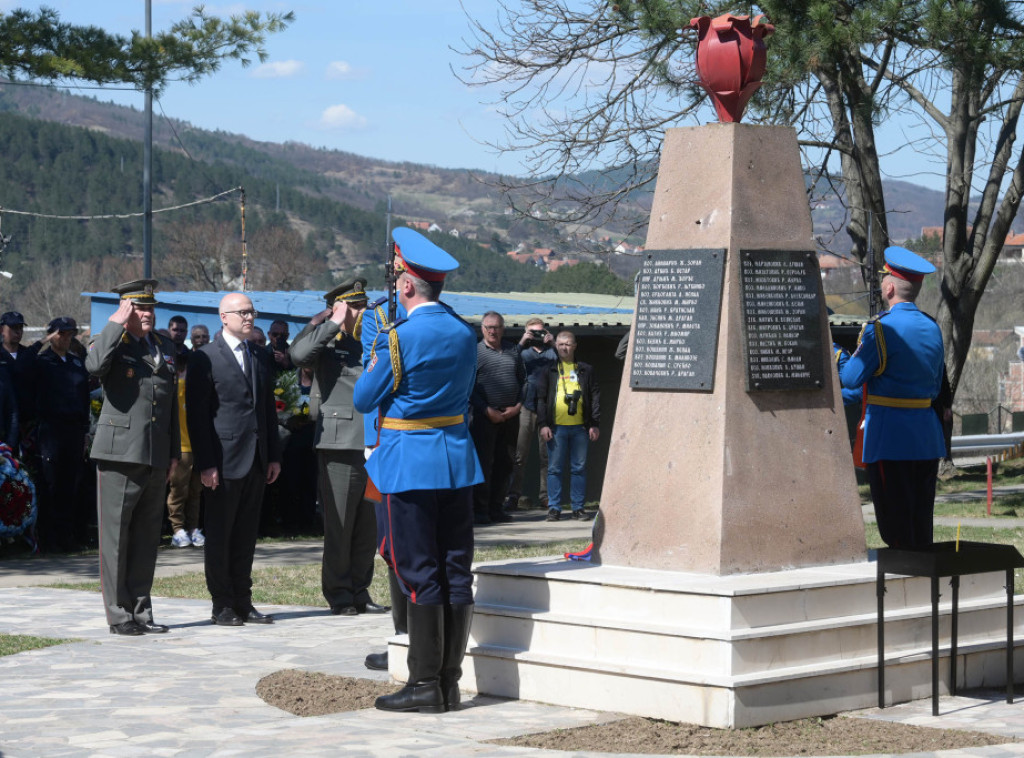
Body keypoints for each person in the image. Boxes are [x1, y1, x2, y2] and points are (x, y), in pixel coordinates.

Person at [354, 226, 483, 713]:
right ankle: (448, 683)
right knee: (455, 571)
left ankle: (425, 683)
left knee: (418, 571)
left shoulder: (399, 337)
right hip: (456, 461)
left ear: (406, 285)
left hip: (409, 462)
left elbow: (364, 397)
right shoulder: (463, 331)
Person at [86, 279, 180, 636]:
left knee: (146, 538)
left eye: (151, 308)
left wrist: (173, 453)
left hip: (155, 453)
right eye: (140, 308)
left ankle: (142, 611)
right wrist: (115, 324)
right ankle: (119, 614)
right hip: (119, 453)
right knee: (116, 539)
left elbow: (169, 403)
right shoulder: (110, 340)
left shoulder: (164, 346)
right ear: (125, 309)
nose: (148, 314)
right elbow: (95, 366)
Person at [290, 278, 387, 616]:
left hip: (374, 443)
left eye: (363, 306)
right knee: (340, 524)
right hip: (339, 442)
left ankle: (360, 590)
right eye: (354, 307)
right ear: (339, 308)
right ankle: (340, 593)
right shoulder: (327, 341)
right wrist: (331, 322)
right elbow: (298, 355)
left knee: (367, 526)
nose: (361, 312)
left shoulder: (374, 340)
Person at [840, 246, 948, 549]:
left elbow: (850, 378)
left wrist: (840, 355)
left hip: (890, 437)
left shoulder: (880, 329)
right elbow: (936, 383)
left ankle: (906, 574)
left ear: (889, 288)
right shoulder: (932, 327)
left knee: (895, 526)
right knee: (919, 522)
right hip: (926, 437)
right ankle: (921, 573)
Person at [186, 292, 282, 626]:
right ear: (223, 317)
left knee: (245, 536)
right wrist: (206, 463)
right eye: (242, 312)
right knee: (220, 535)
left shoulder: (258, 354)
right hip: (223, 460)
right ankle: (222, 604)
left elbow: (266, 409)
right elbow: (197, 415)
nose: (249, 317)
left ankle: (243, 601)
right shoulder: (205, 357)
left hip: (256, 458)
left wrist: (273, 455)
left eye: (251, 311)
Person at [33, 317, 90, 552]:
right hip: (51, 429)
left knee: (71, 483)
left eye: (70, 334)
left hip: (74, 429)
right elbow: (23, 366)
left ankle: (67, 536)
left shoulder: (76, 362)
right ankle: (49, 538)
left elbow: (84, 398)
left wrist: (85, 431)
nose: (66, 339)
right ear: (52, 335)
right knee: (51, 482)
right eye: (61, 334)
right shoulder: (42, 362)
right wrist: (42, 341)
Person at [537, 330, 600, 522]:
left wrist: (594, 423)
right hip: (556, 427)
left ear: (575, 346)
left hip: (580, 427)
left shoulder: (585, 369)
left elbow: (595, 396)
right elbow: (541, 399)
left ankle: (578, 508)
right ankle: (554, 508)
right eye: (561, 344)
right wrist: (543, 424)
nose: (564, 347)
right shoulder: (549, 369)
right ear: (556, 345)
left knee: (579, 468)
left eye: (568, 344)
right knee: (554, 469)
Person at [469, 311, 525, 524]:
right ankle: (480, 511)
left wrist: (517, 407)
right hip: (485, 417)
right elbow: (468, 387)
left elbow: (524, 382)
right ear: (482, 329)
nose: (493, 331)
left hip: (511, 417)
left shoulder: (513, 350)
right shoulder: (475, 352)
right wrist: (486, 410)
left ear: (503, 329)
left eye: (497, 327)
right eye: (489, 327)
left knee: (506, 463)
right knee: (484, 464)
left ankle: (496, 508)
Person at [507, 318, 556, 511]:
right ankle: (513, 495)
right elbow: (508, 361)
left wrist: (553, 343)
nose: (537, 336)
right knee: (520, 455)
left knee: (547, 456)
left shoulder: (552, 352)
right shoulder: (523, 353)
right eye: (533, 332)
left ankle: (546, 496)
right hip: (526, 406)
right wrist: (522, 341)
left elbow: (568, 363)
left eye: (540, 332)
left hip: (547, 408)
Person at [166, 348, 204, 548]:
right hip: (181, 447)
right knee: (178, 491)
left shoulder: (198, 388)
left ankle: (193, 528)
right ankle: (177, 529)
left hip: (197, 447)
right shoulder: (177, 387)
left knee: (195, 491)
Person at [0, 311, 37, 440]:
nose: (18, 332)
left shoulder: (29, 355)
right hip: (4, 424)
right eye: (13, 328)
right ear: (1, 329)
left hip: (28, 424)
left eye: (20, 328)